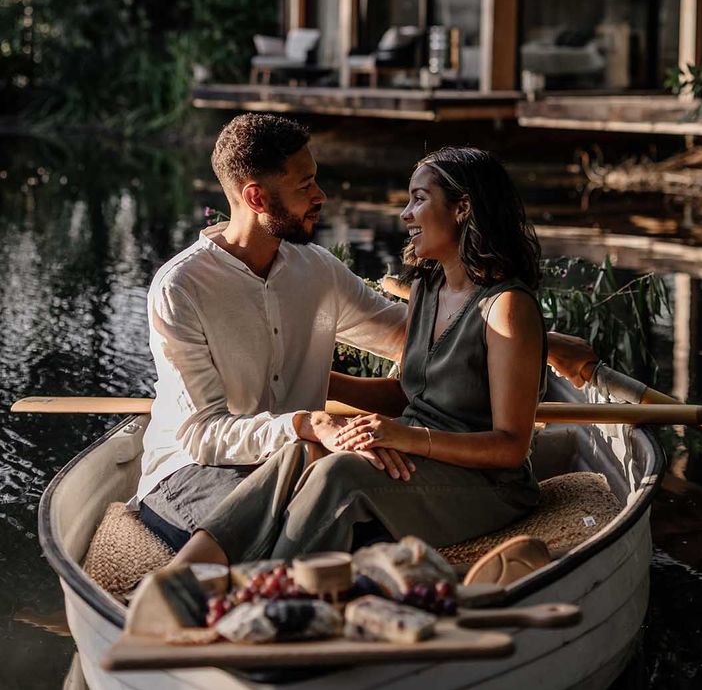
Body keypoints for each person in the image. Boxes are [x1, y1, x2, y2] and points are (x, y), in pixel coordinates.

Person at [169, 146, 548, 567]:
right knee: (299, 452)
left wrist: (407, 438)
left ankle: (266, 590)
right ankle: (187, 574)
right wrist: (330, 399)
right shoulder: (428, 287)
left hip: (489, 484)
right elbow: (414, 392)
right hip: (419, 454)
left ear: (463, 208)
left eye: (419, 199)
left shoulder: (508, 307)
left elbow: (512, 448)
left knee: (341, 476)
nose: (405, 214)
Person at [134, 112, 413, 551]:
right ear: (257, 198)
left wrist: (540, 341)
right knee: (286, 537)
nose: (320, 196)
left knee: (382, 528)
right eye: (305, 186)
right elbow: (203, 435)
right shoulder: (181, 288)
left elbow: (405, 334)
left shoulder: (318, 269)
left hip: (299, 462)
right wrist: (307, 423)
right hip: (192, 470)